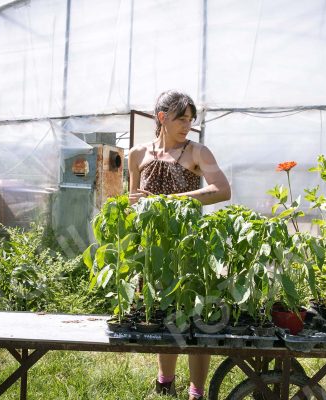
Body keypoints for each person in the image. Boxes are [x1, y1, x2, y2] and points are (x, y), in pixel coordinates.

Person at [128, 90, 231, 400]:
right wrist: (133, 202)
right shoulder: (137, 155)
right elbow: (133, 201)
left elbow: (222, 190)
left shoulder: (197, 152)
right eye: (180, 118)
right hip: (154, 250)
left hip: (190, 249)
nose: (187, 125)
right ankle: (165, 383)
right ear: (162, 118)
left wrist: (171, 201)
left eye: (190, 119)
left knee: (196, 322)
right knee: (163, 317)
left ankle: (197, 392)